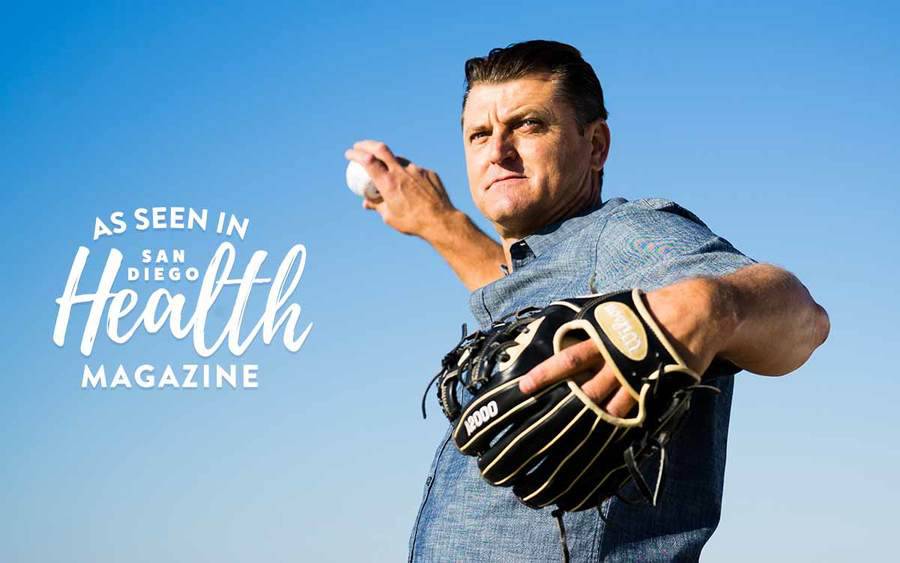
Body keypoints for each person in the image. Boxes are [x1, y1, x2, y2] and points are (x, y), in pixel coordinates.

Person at [345, 40, 829, 562]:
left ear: (596, 145)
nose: (497, 151)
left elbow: (804, 319)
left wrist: (708, 307)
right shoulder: (554, 264)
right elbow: (531, 290)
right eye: (479, 134)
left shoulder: (624, 234)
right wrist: (439, 224)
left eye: (528, 125)